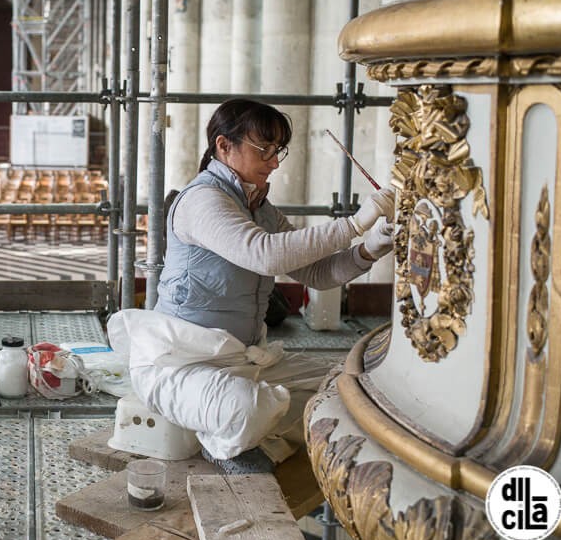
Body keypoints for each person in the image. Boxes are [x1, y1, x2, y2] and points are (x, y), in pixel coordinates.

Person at [118, 99, 395, 474]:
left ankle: (245, 433)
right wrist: (355, 224)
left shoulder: (261, 208)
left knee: (342, 387)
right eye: (263, 149)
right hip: (179, 365)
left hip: (244, 359)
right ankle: (225, 445)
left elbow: (315, 273)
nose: (275, 161)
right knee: (244, 407)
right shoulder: (203, 199)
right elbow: (266, 255)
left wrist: (370, 247)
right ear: (223, 145)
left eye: (277, 150)